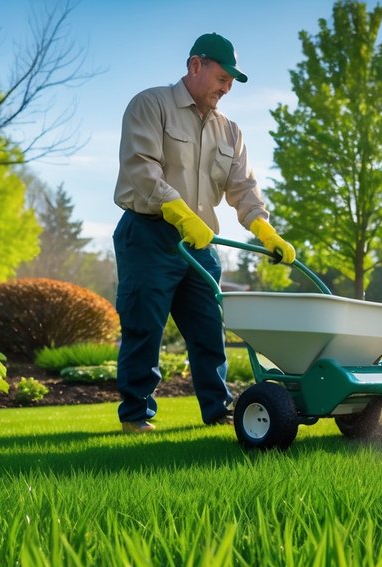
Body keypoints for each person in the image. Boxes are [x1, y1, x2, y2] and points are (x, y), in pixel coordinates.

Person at [112, 32, 294, 433]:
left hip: (200, 244)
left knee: (209, 331)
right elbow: (141, 167)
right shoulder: (150, 104)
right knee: (144, 328)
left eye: (232, 82)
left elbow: (243, 189)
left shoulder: (230, 131)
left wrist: (264, 230)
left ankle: (218, 409)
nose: (227, 88)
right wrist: (177, 211)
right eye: (223, 77)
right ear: (196, 65)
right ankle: (136, 416)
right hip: (148, 234)